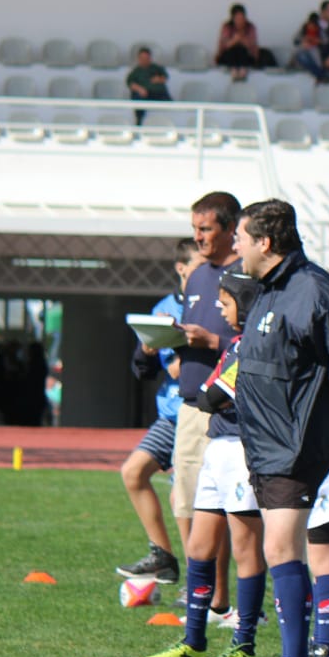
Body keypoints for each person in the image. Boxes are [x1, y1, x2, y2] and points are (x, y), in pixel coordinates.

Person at [229, 200, 329, 657]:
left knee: (281, 547)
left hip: (294, 441)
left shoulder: (312, 287)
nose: (236, 247)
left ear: (265, 242)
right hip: (266, 443)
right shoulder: (268, 291)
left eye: (241, 238)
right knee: (278, 547)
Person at [145, 270, 268, 657]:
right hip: (218, 447)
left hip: (241, 450)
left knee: (246, 548)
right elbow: (209, 394)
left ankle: (243, 642)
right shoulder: (235, 343)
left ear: (245, 306)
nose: (220, 309)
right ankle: (194, 639)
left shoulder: (254, 344)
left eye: (226, 303)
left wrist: (212, 396)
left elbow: (214, 393)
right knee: (199, 546)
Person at [116, 239, 203, 581]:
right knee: (133, 473)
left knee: (182, 499)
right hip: (170, 416)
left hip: (198, 413)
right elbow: (146, 369)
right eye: (198, 265)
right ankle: (162, 556)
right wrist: (148, 349)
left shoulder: (212, 303)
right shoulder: (164, 307)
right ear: (181, 268)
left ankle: (199, 581)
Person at [174, 191, 243, 617]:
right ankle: (199, 590)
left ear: (230, 229)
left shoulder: (245, 275)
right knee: (185, 500)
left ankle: (221, 597)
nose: (198, 237)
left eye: (206, 229)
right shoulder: (198, 276)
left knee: (226, 508)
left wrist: (213, 341)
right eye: (194, 229)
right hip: (189, 402)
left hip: (229, 408)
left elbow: (252, 340)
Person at [295, 0, 329, 87]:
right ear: (322, 11)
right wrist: (303, 42)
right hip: (313, 56)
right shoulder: (309, 25)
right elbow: (296, 40)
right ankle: (323, 76)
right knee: (300, 55)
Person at [215, 3, 272, 80]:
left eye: (242, 18)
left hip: (246, 57)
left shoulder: (250, 27)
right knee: (234, 50)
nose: (240, 21)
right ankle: (234, 73)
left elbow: (252, 46)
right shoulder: (227, 27)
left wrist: (242, 40)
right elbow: (225, 45)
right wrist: (235, 40)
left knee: (241, 51)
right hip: (228, 57)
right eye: (237, 18)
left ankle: (242, 73)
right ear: (232, 18)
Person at [125, 46, 170, 126]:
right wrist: (139, 89)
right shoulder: (136, 71)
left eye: (146, 58)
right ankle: (139, 122)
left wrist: (158, 79)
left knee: (168, 101)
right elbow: (130, 83)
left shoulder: (156, 68)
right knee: (138, 99)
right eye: (142, 58)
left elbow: (165, 78)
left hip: (157, 94)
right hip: (144, 94)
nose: (144, 60)